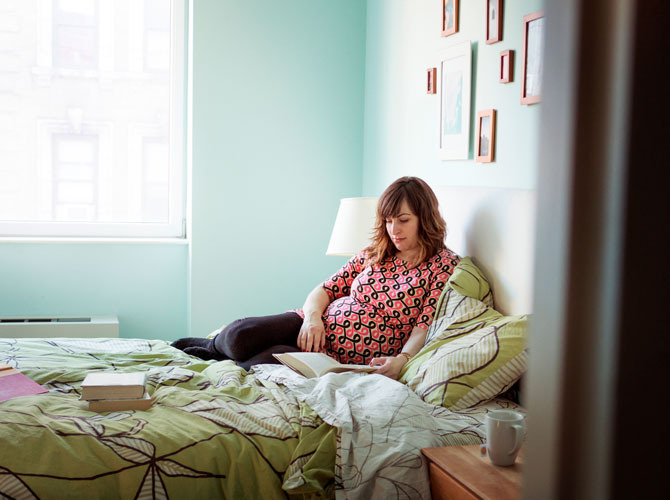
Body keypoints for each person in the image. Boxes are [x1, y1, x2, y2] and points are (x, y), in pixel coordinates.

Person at [172, 176, 460, 379]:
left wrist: (403, 360)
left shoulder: (442, 265)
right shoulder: (375, 252)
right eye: (387, 220)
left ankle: (217, 355)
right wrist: (313, 319)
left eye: (403, 220)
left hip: (335, 358)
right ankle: (211, 346)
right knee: (238, 335)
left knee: (255, 364)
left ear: (425, 217)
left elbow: (423, 326)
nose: (393, 229)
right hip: (311, 325)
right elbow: (324, 290)